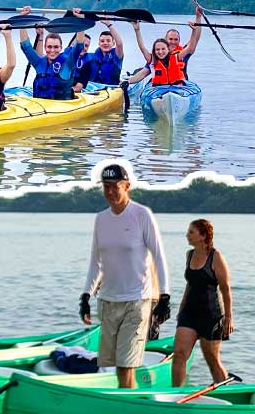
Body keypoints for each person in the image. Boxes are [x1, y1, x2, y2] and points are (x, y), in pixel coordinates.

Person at [81, 164, 171, 389]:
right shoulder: (101, 219)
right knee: (112, 366)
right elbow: (96, 262)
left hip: (136, 300)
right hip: (108, 301)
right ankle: (129, 401)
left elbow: (159, 257)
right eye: (106, 187)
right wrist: (85, 296)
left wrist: (165, 297)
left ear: (127, 186)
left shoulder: (141, 215)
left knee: (125, 365)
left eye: (115, 187)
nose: (110, 192)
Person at [171, 219, 234, 387]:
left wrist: (228, 318)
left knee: (212, 360)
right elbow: (189, 285)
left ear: (203, 236)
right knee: (178, 355)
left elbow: (226, 289)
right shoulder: (189, 255)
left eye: (191, 232)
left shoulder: (216, 257)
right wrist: (181, 309)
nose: (187, 235)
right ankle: (176, 396)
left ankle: (224, 393)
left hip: (211, 316)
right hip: (189, 314)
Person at [18, 7, 88, 100]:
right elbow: (25, 46)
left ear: (61, 48)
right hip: (39, 104)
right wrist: (23, 18)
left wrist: (80, 20)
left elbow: (79, 45)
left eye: (56, 47)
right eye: (49, 47)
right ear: (45, 47)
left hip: (61, 106)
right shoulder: (39, 63)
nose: (52, 50)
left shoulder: (67, 63)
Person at [130, 7, 204, 79]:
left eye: (176, 39)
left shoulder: (181, 53)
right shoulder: (157, 55)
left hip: (179, 86)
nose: (173, 42)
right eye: (170, 39)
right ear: (165, 40)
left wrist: (198, 17)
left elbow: (195, 40)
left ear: (179, 41)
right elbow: (143, 72)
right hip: (160, 87)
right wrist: (128, 81)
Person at [75, 20, 125, 91]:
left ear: (113, 43)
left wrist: (109, 25)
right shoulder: (92, 58)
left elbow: (119, 43)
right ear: (99, 43)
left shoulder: (117, 56)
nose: (105, 43)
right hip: (92, 89)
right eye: (102, 41)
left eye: (108, 41)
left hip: (111, 89)